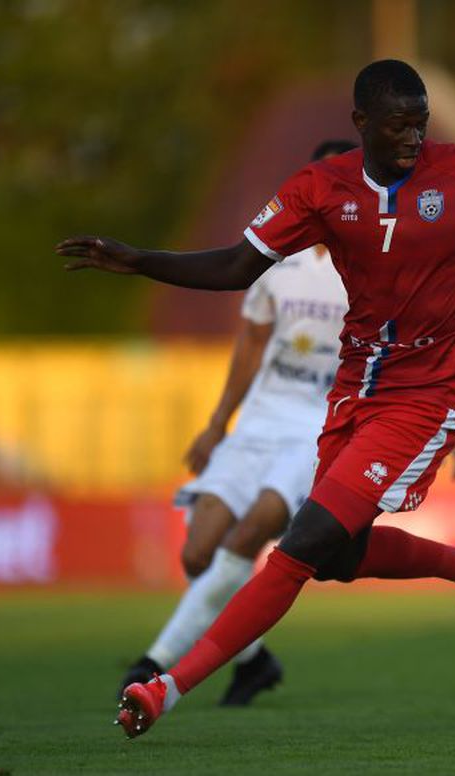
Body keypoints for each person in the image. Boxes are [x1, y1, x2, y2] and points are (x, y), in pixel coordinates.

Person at [56, 59, 455, 738]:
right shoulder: (319, 189)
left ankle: (164, 686)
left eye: (420, 124)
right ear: (361, 123)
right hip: (354, 394)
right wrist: (139, 260)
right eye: (398, 125)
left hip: (429, 395)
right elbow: (235, 266)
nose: (413, 139)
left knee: (300, 545)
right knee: (336, 559)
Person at [117, 139, 356, 706]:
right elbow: (250, 345)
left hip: (314, 430)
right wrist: (218, 423)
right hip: (259, 424)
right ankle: (255, 659)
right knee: (198, 553)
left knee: (250, 539)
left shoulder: (370, 269)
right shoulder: (278, 263)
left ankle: (155, 663)